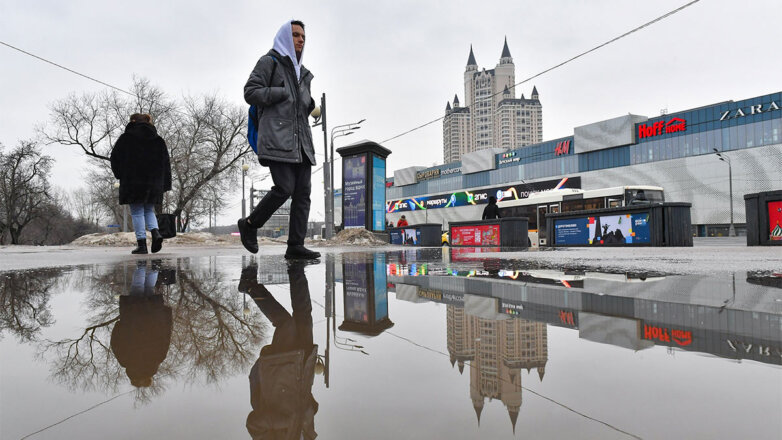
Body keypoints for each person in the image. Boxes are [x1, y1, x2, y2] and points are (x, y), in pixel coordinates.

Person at [239, 20, 321, 260]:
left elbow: (299, 107)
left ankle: (296, 245)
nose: (300, 40)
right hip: (277, 139)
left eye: (303, 37)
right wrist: (281, 93)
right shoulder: (269, 62)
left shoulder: (302, 73)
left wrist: (310, 105)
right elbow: (250, 91)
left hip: (301, 142)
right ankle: (250, 224)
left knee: (303, 193)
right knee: (284, 188)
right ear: (285, 37)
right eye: (295, 35)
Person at [240, 261, 319, 439]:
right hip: (302, 371)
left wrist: (285, 421)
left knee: (287, 324)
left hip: (281, 370)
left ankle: (251, 286)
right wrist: (308, 411)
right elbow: (312, 410)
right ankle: (296, 269)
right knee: (304, 316)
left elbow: (254, 423)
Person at [110, 113, 172, 254]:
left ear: (133, 121)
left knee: (137, 212)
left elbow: (115, 158)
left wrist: (120, 174)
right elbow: (166, 164)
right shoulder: (159, 140)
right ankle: (156, 233)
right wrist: (165, 184)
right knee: (149, 210)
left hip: (133, 181)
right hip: (154, 182)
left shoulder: (125, 139)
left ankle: (142, 245)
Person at [110, 260, 173, 388]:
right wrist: (119, 326)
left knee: (149, 289)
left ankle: (154, 269)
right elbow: (116, 341)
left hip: (153, 318)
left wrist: (166, 316)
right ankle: (141, 267)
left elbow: (166, 335)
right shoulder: (125, 360)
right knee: (136, 289)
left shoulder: (158, 358)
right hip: (132, 319)